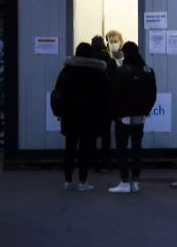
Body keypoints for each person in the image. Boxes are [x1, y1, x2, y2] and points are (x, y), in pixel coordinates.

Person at [53, 42, 109, 191]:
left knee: (69, 148)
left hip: (70, 116)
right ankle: (83, 182)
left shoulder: (67, 71)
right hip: (89, 118)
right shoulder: (98, 72)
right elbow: (105, 96)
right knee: (85, 150)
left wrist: (60, 112)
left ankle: (67, 180)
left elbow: (58, 93)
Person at [108, 42, 156, 194]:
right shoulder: (148, 71)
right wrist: (146, 110)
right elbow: (152, 95)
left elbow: (115, 95)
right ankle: (135, 181)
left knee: (122, 149)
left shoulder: (121, 71)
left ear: (126, 53)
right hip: (140, 116)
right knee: (137, 149)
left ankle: (124, 181)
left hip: (123, 117)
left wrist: (115, 115)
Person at [91, 35, 117, 170]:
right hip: (106, 104)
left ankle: (93, 163)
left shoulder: (86, 61)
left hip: (90, 104)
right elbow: (115, 81)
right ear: (103, 46)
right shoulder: (110, 61)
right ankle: (105, 163)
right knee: (106, 135)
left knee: (90, 135)